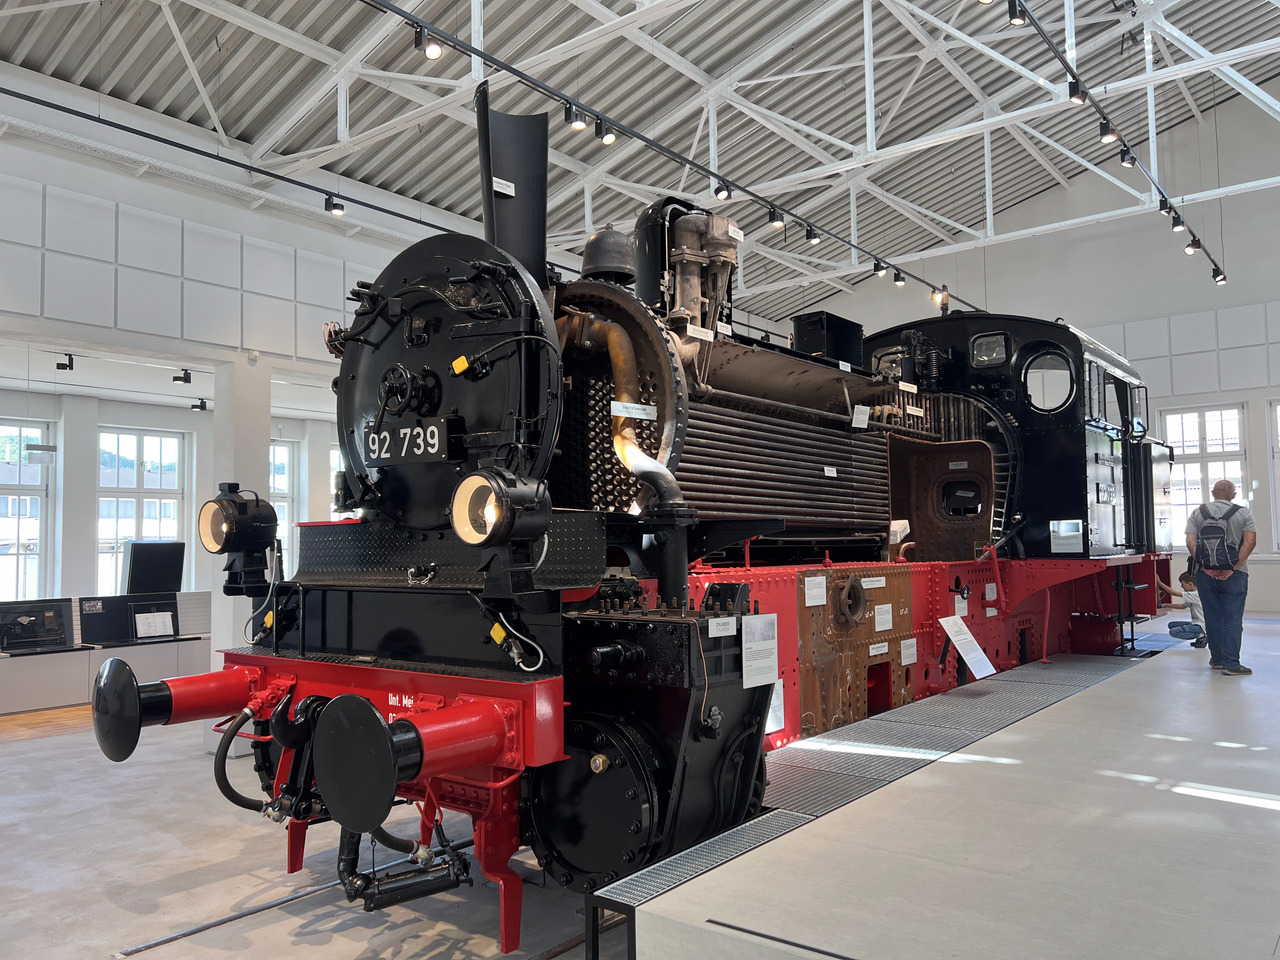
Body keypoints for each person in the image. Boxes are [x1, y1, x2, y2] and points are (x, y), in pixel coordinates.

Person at [1185, 480, 1257, 676]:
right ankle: (1231, 663)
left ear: (1213, 492)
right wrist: (1232, 567)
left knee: (1212, 617)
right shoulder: (1244, 513)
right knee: (1232, 617)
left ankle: (1217, 660)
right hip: (1236, 574)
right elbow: (1250, 542)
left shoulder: (1198, 512)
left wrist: (1206, 566)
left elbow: (1190, 541)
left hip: (1204, 574)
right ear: (1233, 494)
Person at [1158, 571, 1207, 648]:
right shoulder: (1194, 594)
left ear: (1190, 584)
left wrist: (1159, 582)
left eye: (1183, 584)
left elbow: (1173, 593)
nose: (1181, 586)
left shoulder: (1196, 594)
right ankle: (1201, 635)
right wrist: (1166, 605)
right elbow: (1183, 606)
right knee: (1171, 625)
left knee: (1173, 632)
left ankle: (1202, 635)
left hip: (1201, 626)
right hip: (1196, 623)